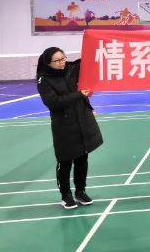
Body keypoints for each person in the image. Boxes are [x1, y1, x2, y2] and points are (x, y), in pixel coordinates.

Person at [36, 47, 103, 210]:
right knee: (65, 161)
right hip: (64, 125)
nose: (62, 63)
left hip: (82, 120)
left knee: (82, 158)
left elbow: (90, 60)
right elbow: (53, 102)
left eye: (63, 58)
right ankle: (66, 195)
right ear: (48, 63)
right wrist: (79, 95)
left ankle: (81, 191)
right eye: (57, 60)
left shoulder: (71, 70)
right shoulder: (44, 80)